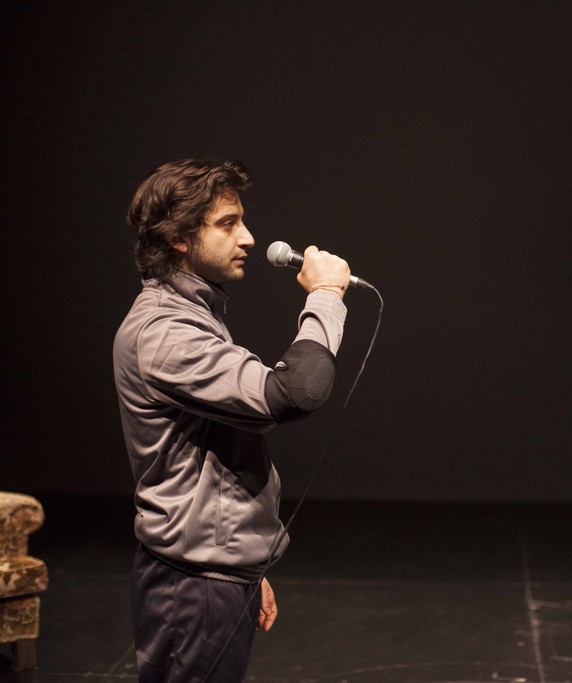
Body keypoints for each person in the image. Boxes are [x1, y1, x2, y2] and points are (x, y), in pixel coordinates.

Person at [113, 158, 351, 681]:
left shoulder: (194, 315)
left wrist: (244, 566)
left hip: (212, 576)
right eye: (227, 224)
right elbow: (295, 392)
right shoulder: (165, 333)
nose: (248, 237)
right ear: (178, 238)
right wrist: (326, 297)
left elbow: (218, 457)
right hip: (192, 585)